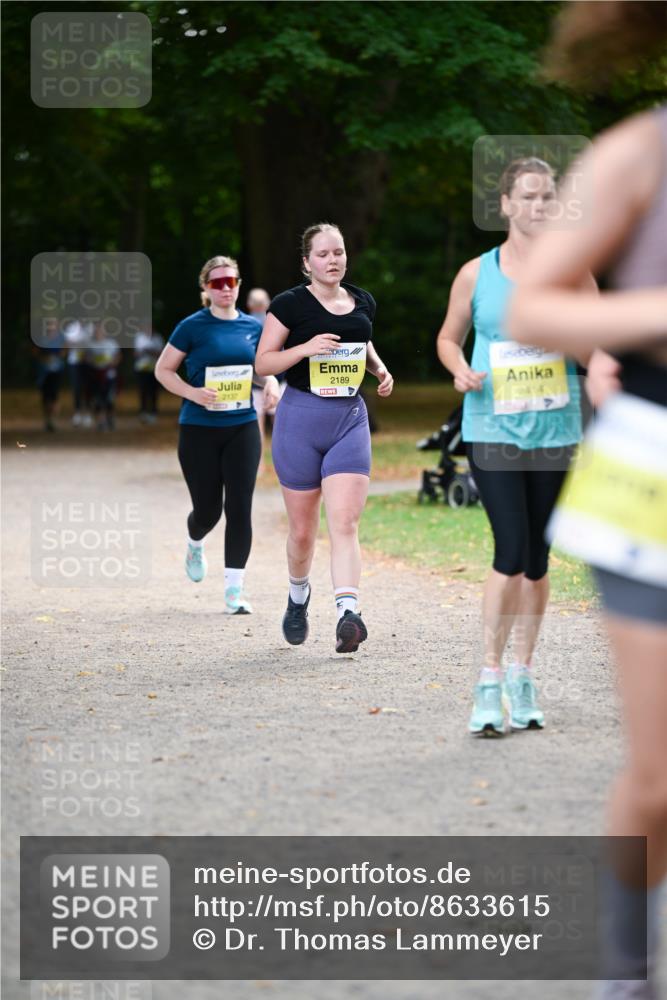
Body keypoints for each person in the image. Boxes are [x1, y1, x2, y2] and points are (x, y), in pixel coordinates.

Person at [509, 5, 667, 995]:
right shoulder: (636, 152)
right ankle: (624, 968)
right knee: (662, 779)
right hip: (653, 484)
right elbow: (534, 302)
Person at [437, 157, 594, 736]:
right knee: (510, 550)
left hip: (555, 430)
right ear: (505, 204)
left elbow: (597, 346)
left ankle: (523, 674)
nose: (538, 205)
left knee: (537, 560)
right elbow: (448, 338)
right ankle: (489, 677)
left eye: (547, 196)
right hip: (493, 428)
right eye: (528, 196)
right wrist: (458, 369)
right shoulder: (476, 274)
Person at [254, 222, 394, 653]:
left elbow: (361, 343)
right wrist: (304, 348)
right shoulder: (289, 305)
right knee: (302, 532)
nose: (333, 260)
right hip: (299, 421)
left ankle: (348, 614)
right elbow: (263, 363)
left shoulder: (363, 301)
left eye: (339, 252)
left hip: (348, 420)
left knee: (345, 523)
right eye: (323, 254)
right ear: (307, 262)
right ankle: (298, 597)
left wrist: (379, 368)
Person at [154, 255, 279, 614]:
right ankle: (195, 542)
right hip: (199, 429)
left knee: (239, 507)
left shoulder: (253, 326)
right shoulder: (191, 327)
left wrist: (271, 381)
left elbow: (260, 368)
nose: (225, 288)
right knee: (208, 510)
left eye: (231, 282)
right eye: (217, 283)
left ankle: (234, 593)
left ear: (239, 285)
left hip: (242, 426)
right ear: (206, 289)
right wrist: (192, 393)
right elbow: (164, 370)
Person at [86, 322, 122, 431]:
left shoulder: (111, 343)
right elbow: (87, 358)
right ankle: (100, 422)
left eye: (100, 330)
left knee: (109, 399)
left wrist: (112, 363)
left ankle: (110, 419)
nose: (98, 332)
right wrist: (94, 361)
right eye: (96, 330)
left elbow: (118, 356)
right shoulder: (90, 344)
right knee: (97, 400)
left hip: (109, 376)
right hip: (95, 375)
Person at [33, 317, 66, 432]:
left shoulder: (61, 338)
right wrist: (44, 358)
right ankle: (47, 420)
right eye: (49, 324)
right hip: (44, 372)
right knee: (45, 397)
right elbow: (36, 352)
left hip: (57, 371)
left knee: (54, 396)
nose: (51, 326)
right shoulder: (42, 338)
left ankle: (53, 420)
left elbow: (64, 351)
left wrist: (56, 355)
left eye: (53, 324)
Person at [64, 320, 93, 427]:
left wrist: (77, 344)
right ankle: (77, 413)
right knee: (76, 388)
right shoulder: (72, 327)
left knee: (88, 388)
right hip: (74, 362)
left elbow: (93, 343)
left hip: (88, 362)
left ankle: (88, 413)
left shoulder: (91, 327)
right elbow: (67, 344)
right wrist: (82, 344)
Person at [134, 326, 165, 423]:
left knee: (154, 391)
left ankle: (153, 412)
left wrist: (150, 351)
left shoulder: (158, 338)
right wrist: (145, 352)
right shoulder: (139, 337)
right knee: (143, 391)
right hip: (142, 368)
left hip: (154, 368)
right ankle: (143, 412)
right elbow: (136, 353)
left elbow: (162, 353)